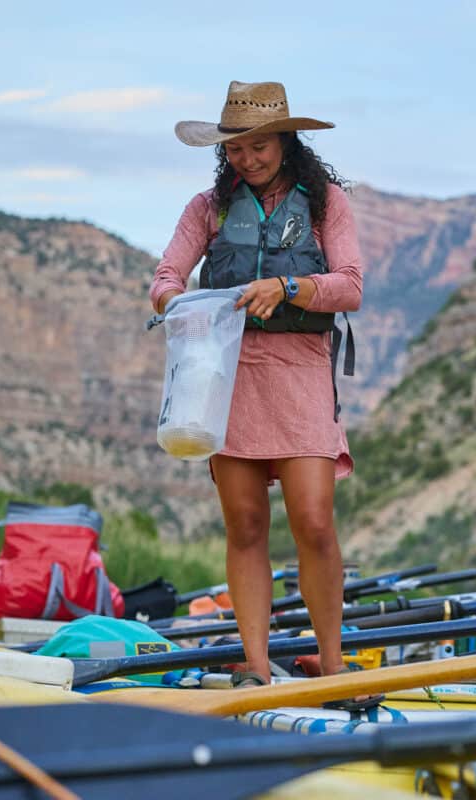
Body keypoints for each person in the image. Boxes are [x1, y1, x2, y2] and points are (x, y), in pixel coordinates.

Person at [149, 81, 363, 688]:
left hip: (299, 374)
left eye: (261, 146)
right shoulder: (207, 207)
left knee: (315, 521)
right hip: (227, 379)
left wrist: (288, 288)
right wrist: (179, 301)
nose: (248, 159)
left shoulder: (326, 205)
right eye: (237, 149)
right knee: (244, 525)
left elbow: (350, 285)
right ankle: (257, 669)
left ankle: (335, 663)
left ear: (286, 142)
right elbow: (165, 276)